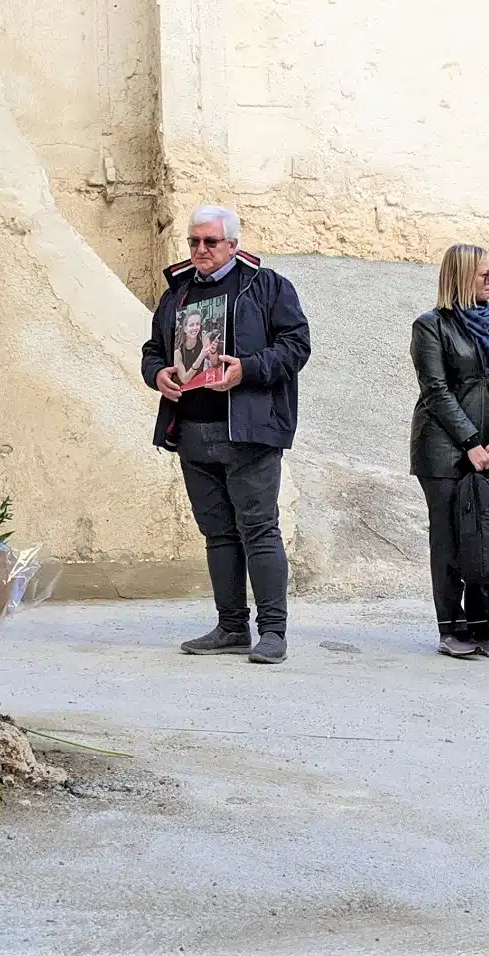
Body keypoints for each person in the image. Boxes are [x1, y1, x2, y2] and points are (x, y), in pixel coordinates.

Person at [141, 205, 311, 664]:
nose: (200, 250)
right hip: (193, 430)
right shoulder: (177, 292)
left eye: (210, 242)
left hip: (249, 433)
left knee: (259, 530)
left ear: (232, 245)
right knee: (218, 534)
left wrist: (247, 370)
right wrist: (157, 373)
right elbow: (153, 349)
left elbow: (297, 346)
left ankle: (272, 631)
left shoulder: (267, 286)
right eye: (194, 242)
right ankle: (231, 626)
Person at [409, 244, 489, 660]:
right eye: (482, 274)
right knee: (451, 538)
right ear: (459, 279)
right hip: (442, 450)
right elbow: (435, 390)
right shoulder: (430, 327)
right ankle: (450, 626)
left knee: (486, 534)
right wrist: (471, 443)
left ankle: (482, 627)